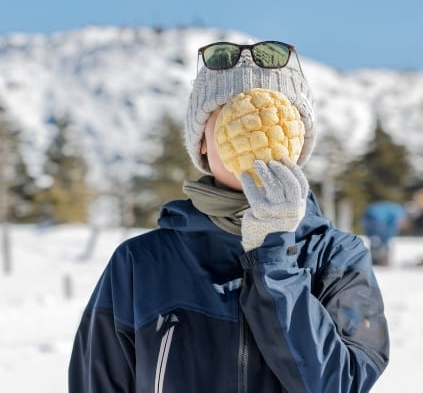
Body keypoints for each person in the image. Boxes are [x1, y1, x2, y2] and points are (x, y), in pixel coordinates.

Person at [69, 40, 389, 392]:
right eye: (233, 117)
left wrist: (274, 257)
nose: (256, 132)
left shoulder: (338, 257)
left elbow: (337, 385)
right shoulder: (139, 264)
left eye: (274, 118)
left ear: (298, 140)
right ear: (202, 141)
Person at [361, 201, 408, 266]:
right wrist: (389, 237)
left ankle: (375, 259)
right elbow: (393, 225)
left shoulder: (393, 207)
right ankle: (382, 260)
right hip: (378, 220)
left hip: (368, 216)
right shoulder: (400, 212)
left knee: (374, 241)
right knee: (383, 241)